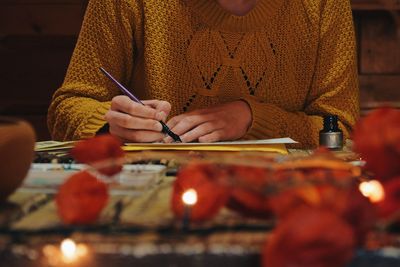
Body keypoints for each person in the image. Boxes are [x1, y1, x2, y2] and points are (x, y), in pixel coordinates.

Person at [48, 0, 359, 148]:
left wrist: (252, 119)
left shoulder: (323, 5)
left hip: (284, 202)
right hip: (150, 200)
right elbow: (69, 106)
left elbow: (342, 129)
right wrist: (109, 126)